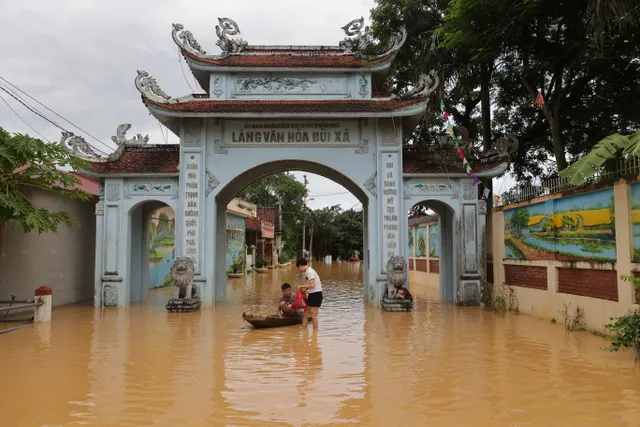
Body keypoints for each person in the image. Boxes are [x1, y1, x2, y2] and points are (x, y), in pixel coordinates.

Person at [296, 257, 322, 329]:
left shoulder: (310, 272)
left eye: (299, 268)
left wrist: (301, 286)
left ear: (301, 265)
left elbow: (312, 285)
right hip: (312, 294)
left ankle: (315, 334)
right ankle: (304, 330)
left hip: (316, 294)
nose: (299, 270)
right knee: (305, 314)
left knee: (313, 315)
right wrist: (305, 289)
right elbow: (311, 285)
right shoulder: (308, 272)